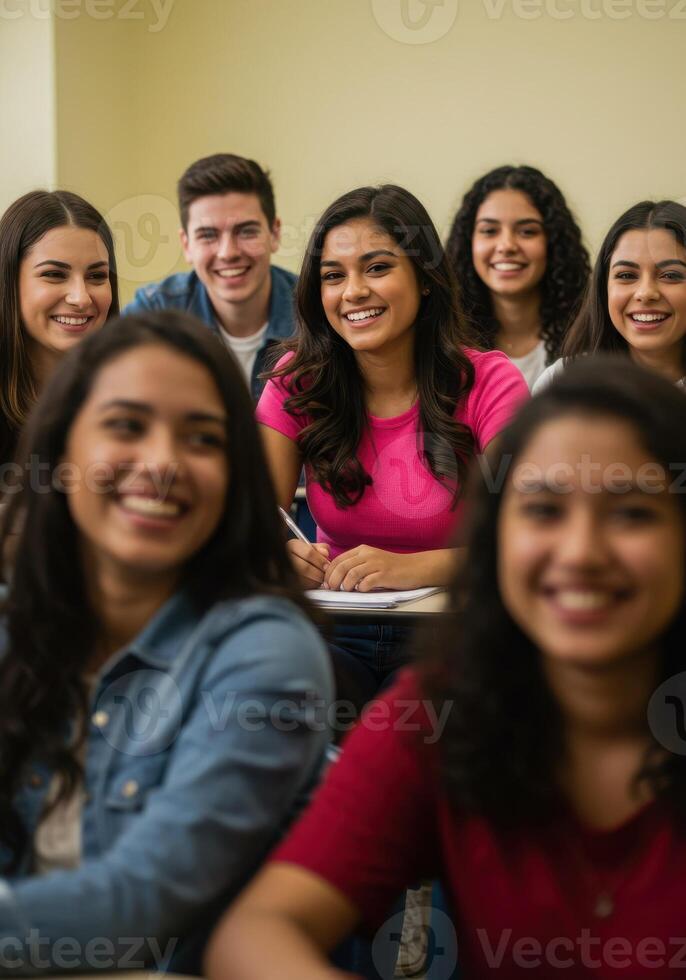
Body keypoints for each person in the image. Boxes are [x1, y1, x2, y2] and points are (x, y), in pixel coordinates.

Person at [207, 358, 686, 980]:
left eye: (631, 514)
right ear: (497, 539)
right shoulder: (439, 713)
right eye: (544, 510)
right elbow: (257, 930)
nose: (581, 553)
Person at [0, 311, 332, 973]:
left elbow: (145, 900)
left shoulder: (266, 652)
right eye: (126, 426)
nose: (161, 464)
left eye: (202, 439)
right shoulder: (18, 624)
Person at [255, 184, 528, 712]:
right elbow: (249, 524)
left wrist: (413, 568)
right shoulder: (297, 380)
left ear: (424, 279)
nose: (353, 292)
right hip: (334, 629)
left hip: (453, 635)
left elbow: (525, 539)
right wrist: (276, 557)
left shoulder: (490, 382)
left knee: (409, 723)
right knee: (277, 701)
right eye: (333, 276)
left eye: (377, 268)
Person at [123, 153, 295, 398]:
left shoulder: (315, 313)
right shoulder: (154, 314)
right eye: (208, 235)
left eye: (246, 231)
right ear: (186, 245)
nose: (228, 253)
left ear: (274, 234)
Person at [0, 189, 118, 466]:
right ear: (9, 282)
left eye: (96, 276)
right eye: (54, 275)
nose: (81, 298)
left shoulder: (133, 396)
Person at [446, 165, 590, 389]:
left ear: (554, 243)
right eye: (489, 231)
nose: (507, 246)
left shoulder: (589, 337)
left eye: (527, 231)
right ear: (468, 243)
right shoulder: (445, 341)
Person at [534, 199, 686, 394]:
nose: (645, 293)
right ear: (603, 287)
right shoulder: (560, 383)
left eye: (671, 275)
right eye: (626, 275)